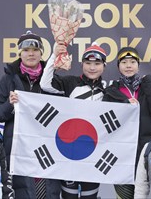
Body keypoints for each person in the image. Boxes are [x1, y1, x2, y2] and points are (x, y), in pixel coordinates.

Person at [0, 31, 58, 198]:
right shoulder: (8, 79)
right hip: (18, 146)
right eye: (26, 49)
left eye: (35, 50)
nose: (31, 53)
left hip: (47, 147)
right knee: (23, 191)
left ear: (41, 52)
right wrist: (10, 104)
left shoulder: (52, 78)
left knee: (46, 191)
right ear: (20, 53)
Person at [40, 42, 107, 198]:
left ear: (104, 65)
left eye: (97, 63)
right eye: (88, 63)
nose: (92, 67)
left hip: (93, 155)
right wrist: (55, 56)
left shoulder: (108, 92)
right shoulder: (70, 83)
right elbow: (45, 84)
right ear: (82, 64)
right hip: (68, 151)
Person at [103, 46, 151, 199]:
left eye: (132, 62)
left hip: (145, 150)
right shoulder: (110, 91)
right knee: (124, 195)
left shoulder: (146, 87)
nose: (128, 66)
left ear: (138, 65)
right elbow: (105, 121)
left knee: (146, 193)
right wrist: (125, 102)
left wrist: (148, 82)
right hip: (121, 153)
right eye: (124, 62)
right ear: (118, 66)